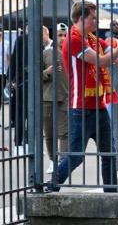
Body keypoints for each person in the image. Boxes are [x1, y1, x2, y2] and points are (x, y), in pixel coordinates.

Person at [49, 1, 118, 192]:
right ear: (82, 19)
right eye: (93, 17)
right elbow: (104, 61)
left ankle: (111, 193)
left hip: (98, 107)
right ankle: (52, 184)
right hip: (80, 108)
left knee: (109, 154)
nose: (97, 21)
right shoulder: (73, 40)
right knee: (76, 156)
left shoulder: (94, 40)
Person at [41, 23, 69, 174]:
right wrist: (47, 72)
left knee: (64, 132)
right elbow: (34, 75)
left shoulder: (72, 53)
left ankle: (63, 162)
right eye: (60, 35)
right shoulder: (47, 53)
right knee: (50, 133)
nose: (63, 38)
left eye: (65, 35)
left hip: (65, 97)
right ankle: (53, 161)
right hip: (48, 99)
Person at [8, 24, 29, 153]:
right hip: (23, 80)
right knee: (21, 113)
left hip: (38, 81)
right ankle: (18, 143)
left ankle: (29, 142)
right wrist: (10, 78)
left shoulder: (41, 41)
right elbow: (15, 58)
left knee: (33, 115)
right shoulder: (21, 39)